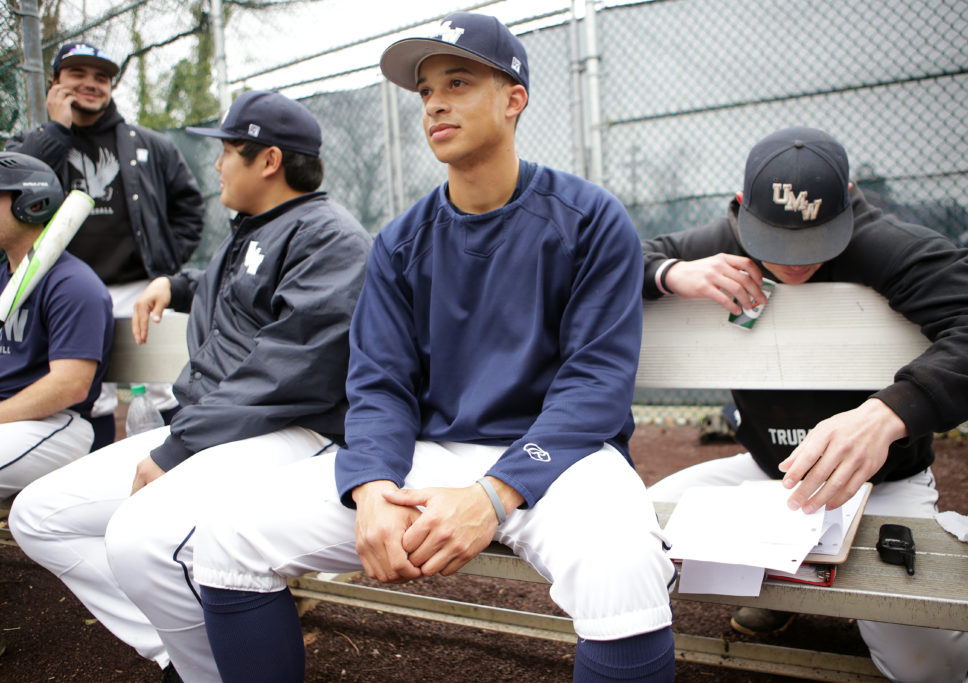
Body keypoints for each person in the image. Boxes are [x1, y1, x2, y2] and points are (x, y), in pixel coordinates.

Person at [183, 14, 677, 682]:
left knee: (624, 568)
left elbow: (594, 386)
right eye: (424, 91)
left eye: (459, 81)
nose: (435, 101)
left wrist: (495, 494)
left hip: (558, 456)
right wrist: (374, 487)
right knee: (228, 537)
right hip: (435, 453)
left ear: (514, 98)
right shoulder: (399, 241)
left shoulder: (590, 217)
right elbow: (380, 384)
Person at [8, 91, 371, 682]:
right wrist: (174, 285)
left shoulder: (330, 238)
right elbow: (237, 283)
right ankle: (196, 652)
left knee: (139, 537)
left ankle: (212, 666)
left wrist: (180, 447)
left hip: (291, 431)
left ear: (269, 161)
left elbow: (294, 366)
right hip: (219, 428)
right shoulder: (254, 228)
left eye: (228, 151)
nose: (218, 165)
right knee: (38, 516)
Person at [642, 126, 968, 683]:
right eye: (777, 241)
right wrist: (670, 271)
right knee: (631, 534)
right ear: (744, 210)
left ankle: (791, 583)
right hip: (765, 473)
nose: (794, 264)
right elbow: (602, 257)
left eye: (813, 242)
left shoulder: (885, 242)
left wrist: (887, 413)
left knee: (929, 671)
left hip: (885, 480)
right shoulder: (721, 237)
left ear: (848, 202)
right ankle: (781, 583)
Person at [5, 42, 205, 442]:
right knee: (91, 399)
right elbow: (12, 187)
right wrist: (57, 129)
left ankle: (164, 469)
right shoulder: (33, 143)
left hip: (137, 286)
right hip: (65, 290)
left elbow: (190, 207)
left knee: (160, 386)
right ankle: (88, 477)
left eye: (101, 77)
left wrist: (163, 264)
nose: (91, 85)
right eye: (78, 74)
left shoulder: (149, 144)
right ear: (55, 82)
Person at [0, 151, 113, 497]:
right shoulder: (3, 275)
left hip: (55, 424)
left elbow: (70, 385)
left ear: (30, 203)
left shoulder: (72, 283)